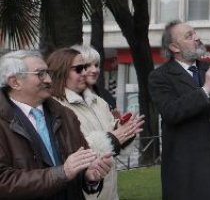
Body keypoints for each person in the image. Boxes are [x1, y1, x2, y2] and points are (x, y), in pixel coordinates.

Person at [149, 20, 210, 200]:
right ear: (174, 47)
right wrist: (205, 90)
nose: (197, 37)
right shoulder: (160, 77)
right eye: (189, 36)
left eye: (195, 33)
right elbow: (171, 112)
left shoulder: (208, 70)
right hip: (188, 175)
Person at [0, 50, 113, 199]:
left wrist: (89, 177)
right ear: (15, 82)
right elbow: (4, 181)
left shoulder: (65, 115)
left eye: (48, 73)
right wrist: (62, 173)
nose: (48, 80)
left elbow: (80, 167)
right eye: (40, 74)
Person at [48, 47, 144, 200]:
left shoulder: (99, 101)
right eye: (79, 69)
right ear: (62, 72)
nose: (86, 72)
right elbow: (71, 152)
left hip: (110, 192)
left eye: (85, 67)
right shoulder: (54, 107)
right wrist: (112, 139)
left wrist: (125, 131)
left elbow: (115, 139)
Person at [70, 45, 117, 113]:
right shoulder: (68, 98)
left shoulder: (105, 95)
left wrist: (119, 123)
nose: (94, 70)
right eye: (87, 65)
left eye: (96, 65)